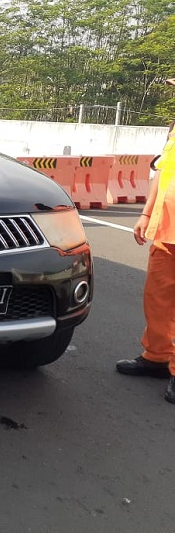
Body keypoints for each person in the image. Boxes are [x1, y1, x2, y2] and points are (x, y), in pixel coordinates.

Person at [116, 110, 175, 403]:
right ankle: (157, 357)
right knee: (157, 298)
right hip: (166, 229)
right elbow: (163, 172)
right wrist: (147, 213)